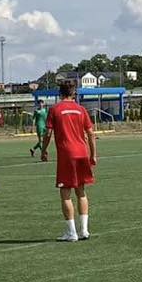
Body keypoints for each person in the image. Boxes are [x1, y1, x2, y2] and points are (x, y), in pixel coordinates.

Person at [40, 79, 97, 242]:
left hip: (67, 155)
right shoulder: (81, 110)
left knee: (65, 193)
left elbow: (48, 134)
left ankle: (72, 233)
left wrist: (44, 150)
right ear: (74, 93)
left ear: (60, 93)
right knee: (81, 191)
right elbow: (91, 134)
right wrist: (93, 154)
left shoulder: (55, 110)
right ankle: (84, 230)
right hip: (82, 153)